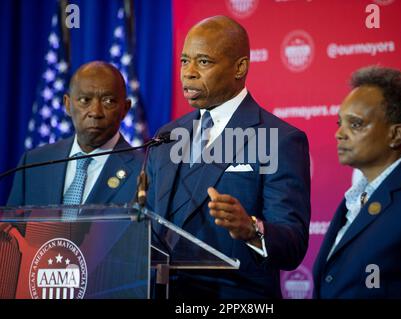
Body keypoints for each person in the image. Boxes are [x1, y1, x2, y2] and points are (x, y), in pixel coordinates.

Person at [146, 16, 311, 299]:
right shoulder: (168, 135)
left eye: (204, 62)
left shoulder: (279, 138)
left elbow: (292, 245)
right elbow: (147, 224)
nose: (189, 72)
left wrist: (251, 230)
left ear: (240, 67)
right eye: (185, 61)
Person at [313, 66, 401, 299]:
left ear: (395, 135)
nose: (339, 134)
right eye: (340, 123)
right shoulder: (356, 197)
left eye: (355, 124)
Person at [7, 61, 144, 207]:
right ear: (67, 104)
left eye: (108, 101)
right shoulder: (33, 164)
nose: (95, 112)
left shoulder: (143, 170)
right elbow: (10, 228)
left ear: (125, 109)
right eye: (85, 100)